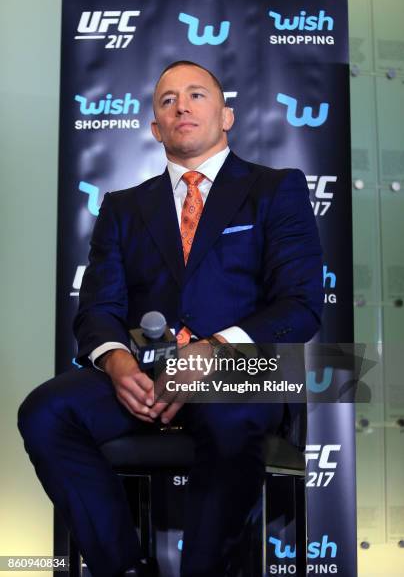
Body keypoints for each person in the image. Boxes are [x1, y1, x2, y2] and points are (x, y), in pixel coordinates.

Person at [18, 61, 323, 577]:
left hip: (240, 374)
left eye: (197, 95)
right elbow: (97, 310)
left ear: (226, 116)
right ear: (156, 129)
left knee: (232, 415)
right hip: (146, 377)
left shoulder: (276, 190)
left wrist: (213, 351)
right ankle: (123, 568)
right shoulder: (122, 208)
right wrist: (117, 364)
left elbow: (300, 304)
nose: (182, 105)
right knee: (46, 411)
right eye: (167, 100)